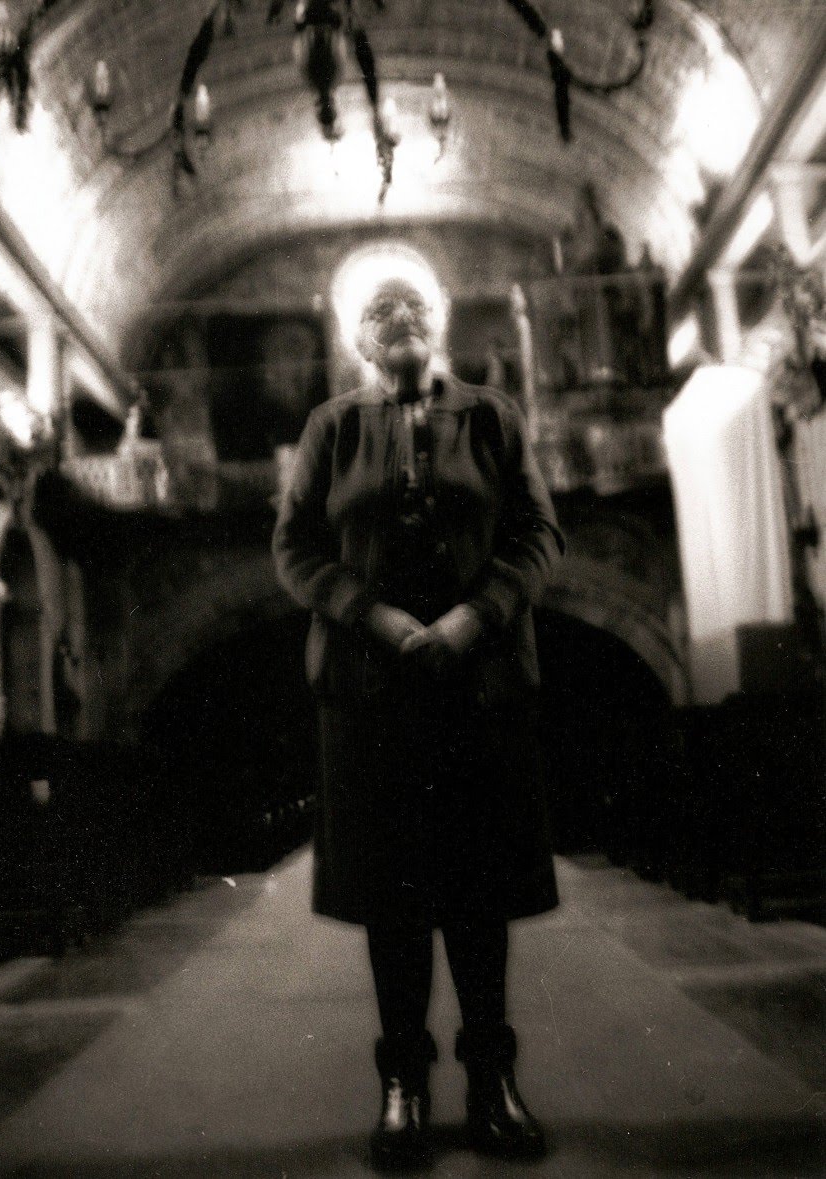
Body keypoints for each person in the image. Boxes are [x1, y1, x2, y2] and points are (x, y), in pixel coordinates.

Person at [272, 262, 565, 1167]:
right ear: (358, 339)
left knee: (478, 896)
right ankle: (401, 1085)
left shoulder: (491, 416)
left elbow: (537, 532)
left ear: (438, 323)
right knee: (391, 899)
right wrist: (371, 613)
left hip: (477, 687)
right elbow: (295, 546)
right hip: (370, 692)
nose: (398, 314)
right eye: (378, 308)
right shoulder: (331, 427)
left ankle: (491, 1082)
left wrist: (477, 615)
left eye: (413, 304)